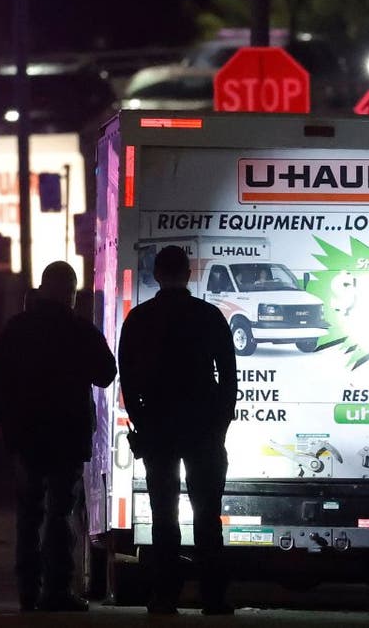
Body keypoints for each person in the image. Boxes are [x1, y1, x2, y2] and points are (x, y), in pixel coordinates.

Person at [0, 261, 117, 612]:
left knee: (29, 514)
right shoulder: (78, 330)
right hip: (67, 437)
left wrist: (9, 428)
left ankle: (28, 590)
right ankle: (57, 590)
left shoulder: (16, 330)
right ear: (70, 293)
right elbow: (106, 372)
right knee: (60, 513)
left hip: (27, 437)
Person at [117, 245, 238, 616]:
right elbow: (229, 375)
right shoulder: (208, 316)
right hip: (202, 428)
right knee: (207, 513)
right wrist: (220, 421)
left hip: (158, 429)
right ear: (188, 274)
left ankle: (165, 596)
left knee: (163, 515)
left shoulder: (139, 319)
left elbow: (128, 377)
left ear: (156, 275)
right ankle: (213, 598)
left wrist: (141, 421)